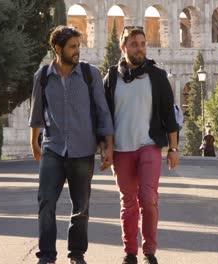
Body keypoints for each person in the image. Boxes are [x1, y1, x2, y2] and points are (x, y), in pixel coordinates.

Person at [29, 26, 114, 264]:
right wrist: (34, 142)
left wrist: (108, 146)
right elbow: (36, 113)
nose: (78, 51)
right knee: (46, 201)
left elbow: (103, 111)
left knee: (81, 207)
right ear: (58, 49)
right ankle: (46, 255)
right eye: (72, 47)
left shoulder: (90, 74)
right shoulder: (43, 76)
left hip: (83, 149)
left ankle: (76, 254)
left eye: (79, 46)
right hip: (53, 148)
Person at [103, 25, 179, 264]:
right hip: (121, 149)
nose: (140, 48)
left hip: (149, 145)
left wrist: (173, 148)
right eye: (134, 44)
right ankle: (130, 252)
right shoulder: (112, 77)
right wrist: (106, 147)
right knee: (128, 202)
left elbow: (169, 114)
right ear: (124, 47)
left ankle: (149, 252)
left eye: (143, 44)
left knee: (148, 198)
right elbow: (104, 116)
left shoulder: (157, 76)